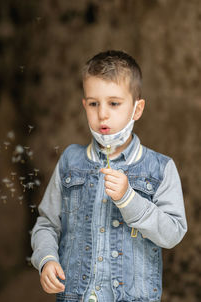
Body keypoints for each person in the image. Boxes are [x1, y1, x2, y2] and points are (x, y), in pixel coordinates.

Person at [31, 50, 187, 302]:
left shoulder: (160, 168)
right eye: (94, 103)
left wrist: (129, 199)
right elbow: (47, 223)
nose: (102, 114)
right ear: (85, 105)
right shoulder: (71, 161)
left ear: (137, 109)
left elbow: (173, 233)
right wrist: (46, 258)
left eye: (114, 103)